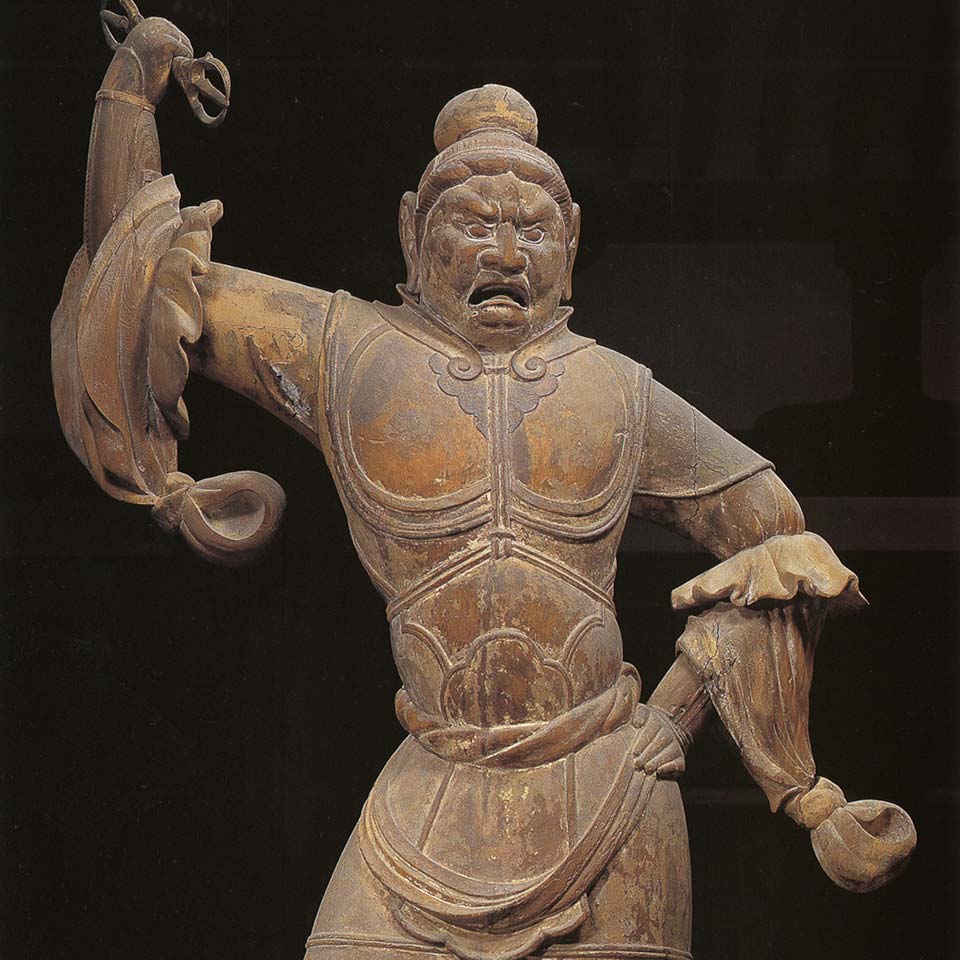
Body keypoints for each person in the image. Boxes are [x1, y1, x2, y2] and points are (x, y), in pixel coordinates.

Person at [52, 10, 915, 960]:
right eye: (472, 224)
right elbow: (132, 281)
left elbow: (776, 534)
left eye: (533, 230)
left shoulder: (616, 391)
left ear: (571, 242)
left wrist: (699, 727)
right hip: (430, 784)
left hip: (612, 783)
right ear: (413, 232)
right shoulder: (344, 350)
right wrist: (131, 92)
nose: (506, 255)